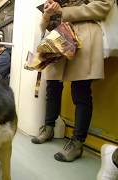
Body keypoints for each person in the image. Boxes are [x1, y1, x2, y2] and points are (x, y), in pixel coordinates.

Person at [31, 0, 112, 162]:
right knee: (52, 85)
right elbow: (44, 26)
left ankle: (77, 142)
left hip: (85, 32)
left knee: (80, 89)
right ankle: (49, 127)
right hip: (59, 35)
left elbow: (103, 7)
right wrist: (48, 14)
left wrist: (64, 11)